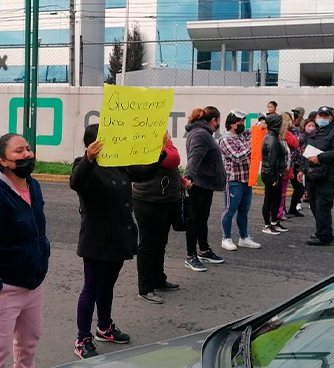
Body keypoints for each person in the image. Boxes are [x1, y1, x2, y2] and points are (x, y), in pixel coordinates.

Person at [70, 124, 167, 359]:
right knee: (91, 289)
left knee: (108, 286)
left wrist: (160, 150)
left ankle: (104, 327)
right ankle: (83, 339)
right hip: (97, 238)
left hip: (119, 235)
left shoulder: (118, 163)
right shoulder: (84, 165)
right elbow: (76, 182)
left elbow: (143, 173)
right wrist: (88, 158)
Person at [0, 133, 50, 368]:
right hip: (3, 287)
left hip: (33, 282)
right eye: (19, 151)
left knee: (29, 344)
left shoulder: (33, 185)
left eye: (28, 148)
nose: (27, 154)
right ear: (3, 161)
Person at [132, 132, 182, 305]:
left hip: (165, 200)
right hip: (148, 201)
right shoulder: (145, 145)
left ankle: (158, 279)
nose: (167, 133)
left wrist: (181, 180)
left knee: (161, 242)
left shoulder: (161, 144)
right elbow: (173, 159)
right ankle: (145, 288)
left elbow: (172, 167)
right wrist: (166, 144)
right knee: (148, 244)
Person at [183, 106, 225, 272]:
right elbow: (194, 157)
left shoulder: (202, 133)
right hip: (198, 186)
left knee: (201, 220)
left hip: (205, 185)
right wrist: (189, 177)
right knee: (193, 221)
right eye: (218, 121)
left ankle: (204, 250)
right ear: (214, 120)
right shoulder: (201, 134)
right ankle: (190, 256)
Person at [297, 106, 334, 246]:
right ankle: (322, 230)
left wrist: (321, 157)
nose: (322, 118)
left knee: (323, 205)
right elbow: (306, 153)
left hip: (325, 175)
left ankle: (324, 235)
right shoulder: (314, 133)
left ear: (331, 118)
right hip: (311, 174)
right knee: (313, 205)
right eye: (321, 116)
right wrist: (301, 170)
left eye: (326, 116)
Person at [219, 110, 264, 251]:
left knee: (243, 211)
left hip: (246, 179)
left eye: (243, 122)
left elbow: (254, 131)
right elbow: (237, 157)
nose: (243, 125)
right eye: (240, 122)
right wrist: (252, 146)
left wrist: (260, 124)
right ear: (232, 124)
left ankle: (244, 238)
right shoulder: (226, 139)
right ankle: (226, 238)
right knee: (230, 210)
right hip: (234, 180)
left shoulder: (241, 135)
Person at [261, 114, 287, 235]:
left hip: (274, 173)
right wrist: (275, 177)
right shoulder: (271, 139)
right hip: (270, 174)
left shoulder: (274, 137)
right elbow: (272, 160)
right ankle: (267, 225)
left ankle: (274, 222)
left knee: (277, 199)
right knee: (269, 200)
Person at [288, 118, 316, 217]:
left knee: (300, 188)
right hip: (297, 164)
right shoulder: (301, 136)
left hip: (306, 164)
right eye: (309, 126)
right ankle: (291, 208)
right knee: (299, 188)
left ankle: (292, 208)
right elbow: (298, 150)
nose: (311, 128)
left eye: (313, 126)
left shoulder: (314, 137)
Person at [277, 113, 299, 221]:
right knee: (282, 192)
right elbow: (295, 143)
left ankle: (280, 211)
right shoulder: (286, 134)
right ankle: (279, 212)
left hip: (281, 166)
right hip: (284, 166)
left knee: (280, 192)